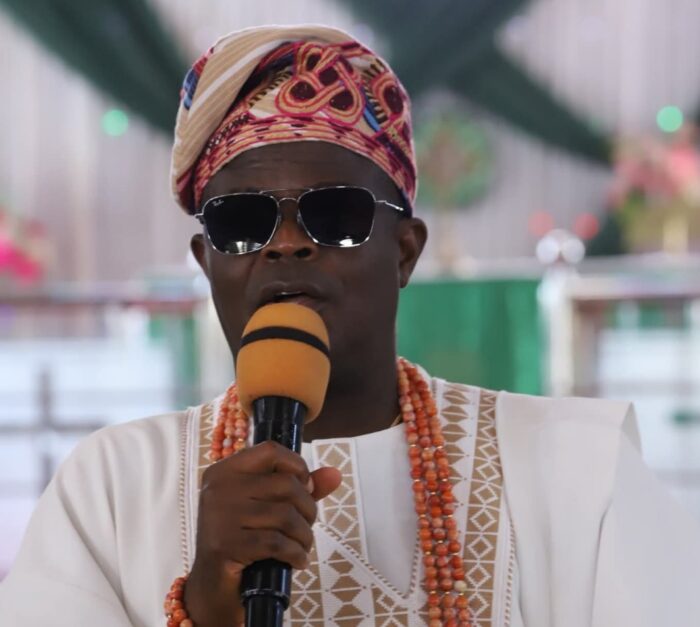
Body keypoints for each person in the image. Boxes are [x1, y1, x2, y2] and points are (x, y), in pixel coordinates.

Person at [1, 24, 700, 627]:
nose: (285, 244)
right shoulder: (113, 487)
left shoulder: (579, 471)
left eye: (334, 214)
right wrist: (209, 603)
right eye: (241, 222)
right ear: (206, 262)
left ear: (405, 252)